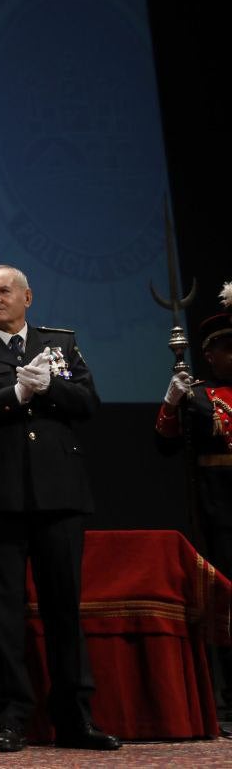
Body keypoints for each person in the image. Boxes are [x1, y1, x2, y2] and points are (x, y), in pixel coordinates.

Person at [0, 264, 120, 753]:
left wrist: (49, 388)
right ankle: (10, 717)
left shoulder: (59, 344)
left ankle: (74, 717)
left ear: (27, 297)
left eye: (3, 291)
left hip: (58, 496)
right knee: (2, 613)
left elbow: (87, 403)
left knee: (64, 609)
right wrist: (15, 394)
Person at [156, 282, 232, 726]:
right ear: (210, 354)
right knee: (225, 597)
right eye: (226, 349)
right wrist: (172, 402)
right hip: (219, 504)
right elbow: (165, 443)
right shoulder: (200, 395)